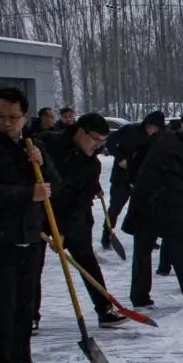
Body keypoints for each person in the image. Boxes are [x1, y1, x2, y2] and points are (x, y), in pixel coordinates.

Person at [0, 87, 59, 363]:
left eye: (13, 117)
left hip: (31, 236)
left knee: (26, 302)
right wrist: (27, 194)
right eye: (1, 116)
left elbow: (54, 185)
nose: (6, 123)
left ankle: (21, 357)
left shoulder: (34, 145)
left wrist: (41, 162)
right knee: (1, 303)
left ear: (25, 116)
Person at [40, 114, 126, 327]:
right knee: (32, 265)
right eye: (95, 139)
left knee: (86, 260)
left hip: (74, 217)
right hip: (40, 213)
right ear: (80, 132)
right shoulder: (49, 144)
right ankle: (30, 316)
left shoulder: (92, 165)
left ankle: (104, 309)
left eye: (102, 142)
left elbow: (80, 203)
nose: (98, 146)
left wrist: (62, 231)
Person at [123, 125, 183, 306]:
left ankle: (139, 297)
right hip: (172, 205)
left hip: (144, 199)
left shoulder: (166, 138)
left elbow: (137, 157)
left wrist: (136, 181)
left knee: (142, 253)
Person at [101, 111, 164, 249]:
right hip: (122, 177)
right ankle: (107, 236)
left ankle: (147, 237)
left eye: (156, 128)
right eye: (151, 126)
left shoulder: (156, 137)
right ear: (146, 123)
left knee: (145, 210)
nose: (152, 130)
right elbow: (110, 142)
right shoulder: (130, 130)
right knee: (115, 208)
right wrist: (120, 158)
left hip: (142, 179)